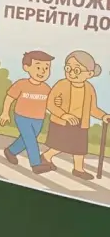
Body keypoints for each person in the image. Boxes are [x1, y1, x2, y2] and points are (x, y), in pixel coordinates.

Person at [43, 50, 110, 180]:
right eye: (68, 68)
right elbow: (50, 103)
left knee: (79, 148)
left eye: (77, 70)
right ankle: (46, 156)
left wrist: (103, 116)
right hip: (62, 121)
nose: (71, 73)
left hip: (81, 123)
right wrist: (64, 115)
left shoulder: (89, 88)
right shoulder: (61, 84)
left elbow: (92, 108)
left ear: (89, 74)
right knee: (59, 145)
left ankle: (78, 169)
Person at [0, 50, 54, 175]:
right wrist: (5, 113)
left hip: (38, 119)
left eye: (46, 68)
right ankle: (36, 164)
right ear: (26, 67)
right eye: (38, 67)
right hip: (22, 116)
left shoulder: (46, 88)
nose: (42, 71)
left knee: (26, 139)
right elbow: (10, 97)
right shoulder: (21, 84)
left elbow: (50, 105)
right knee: (30, 140)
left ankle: (10, 151)